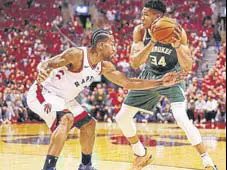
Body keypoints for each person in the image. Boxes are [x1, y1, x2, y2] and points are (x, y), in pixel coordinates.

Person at [27, 29, 184, 170]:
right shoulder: (77, 54)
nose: (115, 48)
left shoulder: (103, 66)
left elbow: (128, 83)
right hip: (43, 93)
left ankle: (86, 166)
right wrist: (43, 68)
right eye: (112, 44)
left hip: (65, 99)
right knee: (66, 118)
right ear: (101, 45)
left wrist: (160, 82)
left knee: (89, 124)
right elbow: (50, 62)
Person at [115, 1, 218, 170]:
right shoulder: (140, 31)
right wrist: (153, 42)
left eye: (146, 14)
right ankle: (141, 154)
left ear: (158, 16)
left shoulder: (177, 32)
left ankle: (207, 162)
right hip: (149, 75)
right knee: (122, 117)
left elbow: (188, 66)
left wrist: (177, 46)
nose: (141, 17)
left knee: (181, 118)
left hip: (172, 76)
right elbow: (135, 62)